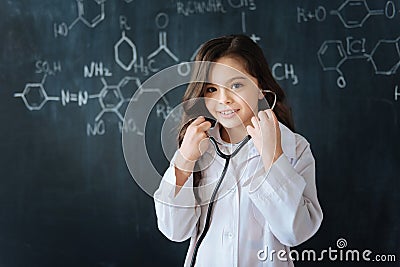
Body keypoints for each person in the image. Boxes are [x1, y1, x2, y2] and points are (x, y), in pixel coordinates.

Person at [153, 34, 323, 267]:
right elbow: (174, 230)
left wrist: (273, 157)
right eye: (212, 89)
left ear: (261, 88)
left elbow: (296, 232)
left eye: (236, 85)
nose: (224, 100)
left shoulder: (294, 147)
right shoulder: (195, 148)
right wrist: (184, 160)